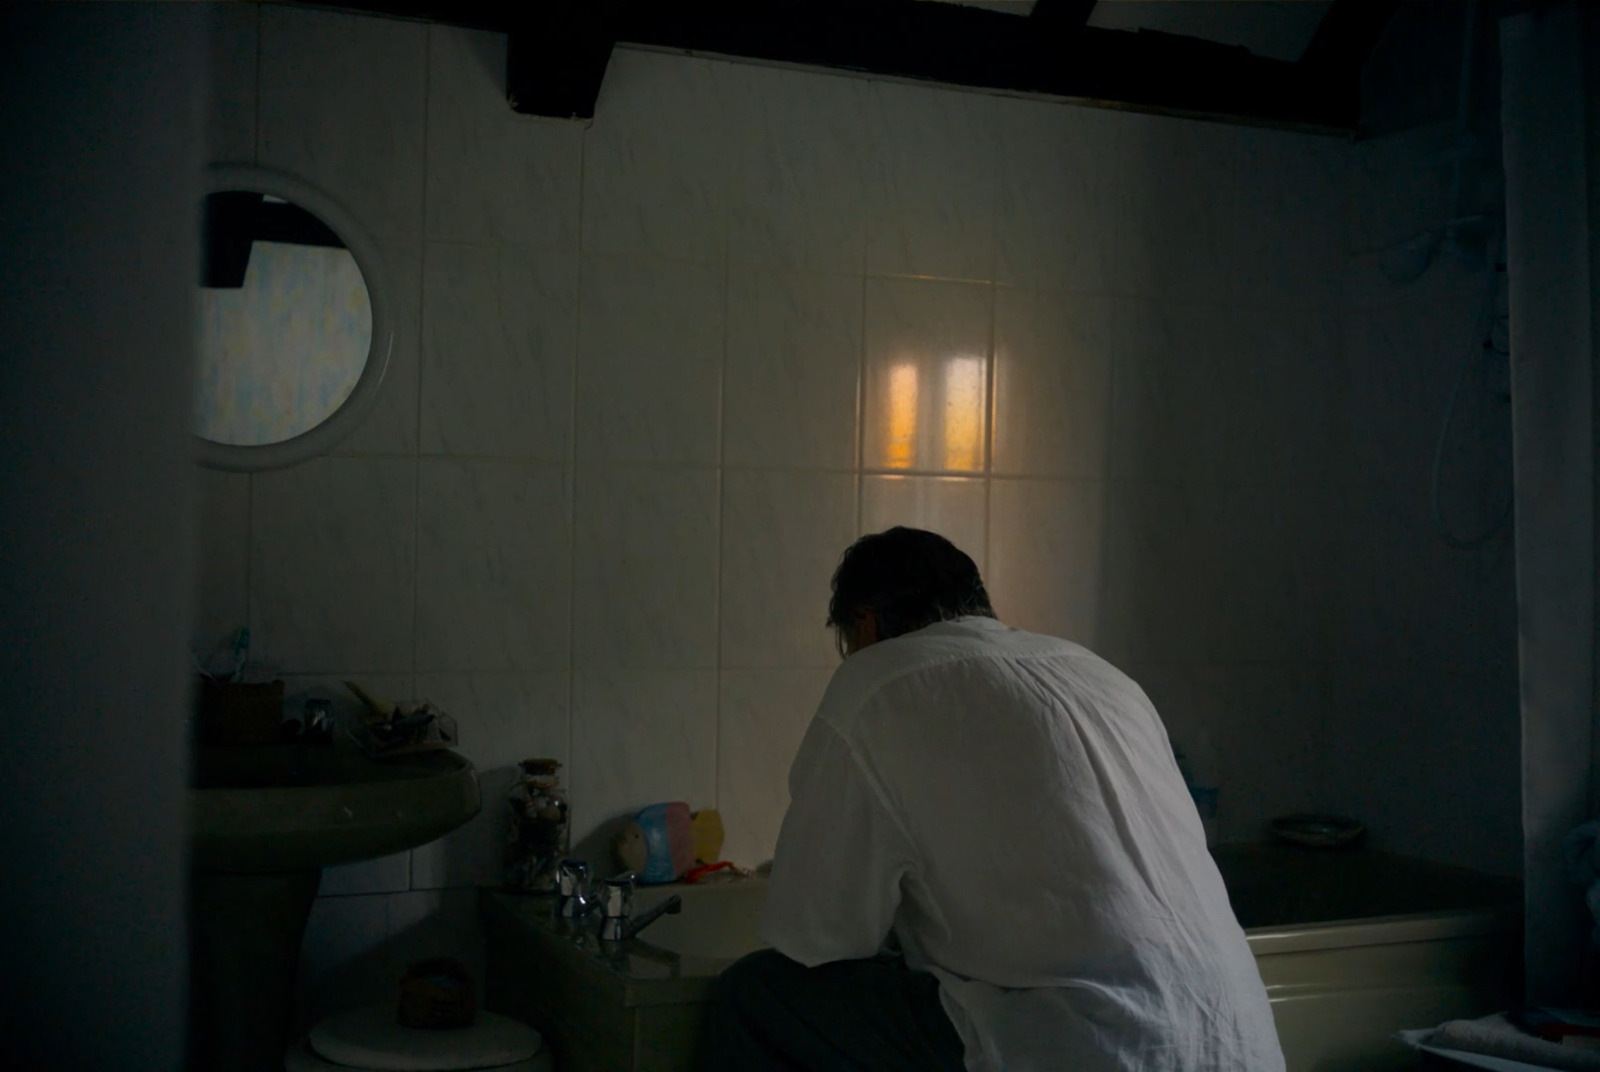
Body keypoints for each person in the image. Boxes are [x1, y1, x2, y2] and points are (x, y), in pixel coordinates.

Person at [701, 527, 1284, 1072]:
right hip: (1238, 1038)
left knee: (757, 995)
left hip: (1089, 1044)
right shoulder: (1099, 674)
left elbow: (817, 938)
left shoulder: (875, 684)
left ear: (865, 621)